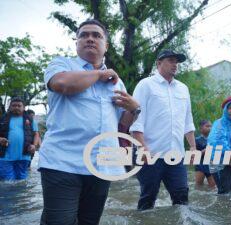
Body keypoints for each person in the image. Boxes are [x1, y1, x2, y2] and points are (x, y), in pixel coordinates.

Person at [39, 19, 140, 225]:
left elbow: (121, 125)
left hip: (101, 164)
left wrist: (134, 109)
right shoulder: (62, 65)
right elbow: (62, 84)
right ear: (76, 42)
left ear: (106, 46)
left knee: (89, 222)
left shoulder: (116, 81)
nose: (90, 39)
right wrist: (100, 74)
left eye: (97, 35)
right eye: (84, 35)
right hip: (62, 161)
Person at [130, 49, 196, 210]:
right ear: (159, 63)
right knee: (148, 197)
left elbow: (188, 120)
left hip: (176, 154)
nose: (175, 64)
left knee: (182, 197)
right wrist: (142, 147)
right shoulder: (145, 85)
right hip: (150, 153)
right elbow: (136, 119)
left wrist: (193, 147)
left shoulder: (183, 89)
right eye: (171, 60)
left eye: (177, 62)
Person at [0, 97, 40, 180]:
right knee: (7, 181)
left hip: (24, 156)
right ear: (10, 107)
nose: (16, 107)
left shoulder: (30, 119)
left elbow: (36, 134)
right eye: (14, 105)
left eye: (19, 105)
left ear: (24, 107)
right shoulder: (2, 119)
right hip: (5, 156)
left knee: (22, 180)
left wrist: (34, 145)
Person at [194, 119, 215, 188]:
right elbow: (192, 156)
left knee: (213, 187)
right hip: (200, 166)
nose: (210, 128)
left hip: (211, 165)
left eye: (211, 126)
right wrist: (203, 151)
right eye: (207, 126)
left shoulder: (214, 140)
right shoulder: (196, 140)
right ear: (201, 128)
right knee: (198, 187)